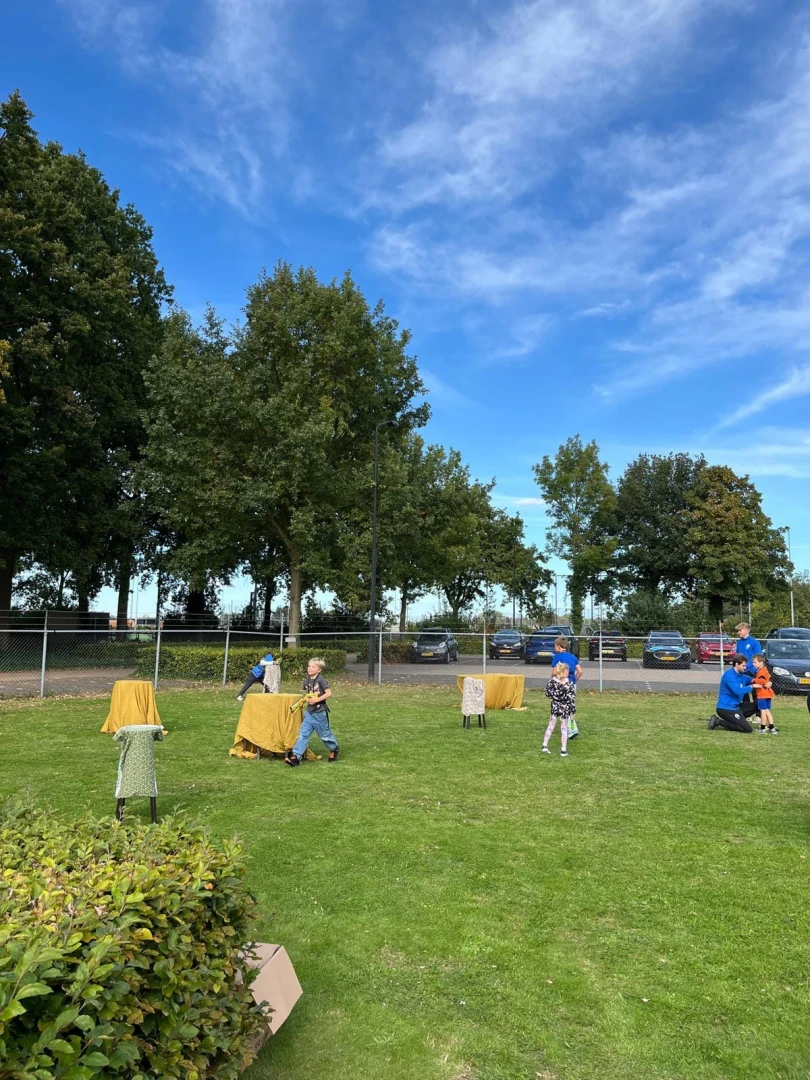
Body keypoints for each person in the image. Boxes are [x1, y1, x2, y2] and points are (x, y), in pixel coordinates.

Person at [285, 658, 339, 766]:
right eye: (309, 666)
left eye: (313, 667)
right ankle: (296, 757)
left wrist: (316, 700)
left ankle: (334, 749)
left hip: (320, 713)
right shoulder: (306, 681)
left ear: (319, 670)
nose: (310, 668)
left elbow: (328, 693)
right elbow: (310, 694)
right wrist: (304, 700)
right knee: (303, 735)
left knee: (325, 735)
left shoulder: (321, 680)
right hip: (309, 713)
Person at [708, 654, 758, 732]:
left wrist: (765, 681)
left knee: (758, 706)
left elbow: (753, 680)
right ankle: (717, 721)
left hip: (736, 706)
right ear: (737, 664)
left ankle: (738, 719)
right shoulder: (729, 676)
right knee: (747, 729)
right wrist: (752, 687)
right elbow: (737, 690)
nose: (745, 668)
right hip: (726, 708)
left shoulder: (741, 676)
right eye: (743, 666)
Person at [542, 662, 577, 758]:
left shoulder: (552, 682)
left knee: (551, 725)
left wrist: (555, 697)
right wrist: (573, 712)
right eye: (567, 671)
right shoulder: (568, 684)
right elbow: (571, 699)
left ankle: (545, 745)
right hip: (565, 707)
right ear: (564, 672)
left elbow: (548, 693)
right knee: (564, 728)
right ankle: (563, 750)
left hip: (555, 706)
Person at [551, 636, 582, 737]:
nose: (554, 648)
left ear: (559, 646)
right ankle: (573, 727)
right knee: (571, 706)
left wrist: (552, 682)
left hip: (561, 684)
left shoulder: (557, 657)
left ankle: (570, 729)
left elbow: (554, 672)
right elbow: (580, 671)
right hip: (571, 684)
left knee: (562, 707)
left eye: (555, 646)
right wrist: (574, 681)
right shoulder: (573, 657)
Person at [735, 622, 761, 709]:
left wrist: (753, 670)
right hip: (742, 671)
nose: (738, 632)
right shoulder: (739, 642)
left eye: (740, 630)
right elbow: (737, 656)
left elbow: (758, 657)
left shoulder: (754, 642)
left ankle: (758, 714)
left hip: (751, 671)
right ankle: (747, 714)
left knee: (755, 693)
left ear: (746, 630)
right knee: (744, 693)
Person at [751, 654, 778, 734]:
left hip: (762, 694)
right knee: (767, 711)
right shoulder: (765, 669)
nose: (753, 664)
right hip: (767, 694)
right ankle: (772, 727)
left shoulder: (761, 671)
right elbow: (768, 678)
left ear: (761, 662)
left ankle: (763, 728)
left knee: (763, 711)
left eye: (755, 662)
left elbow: (762, 680)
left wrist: (754, 680)